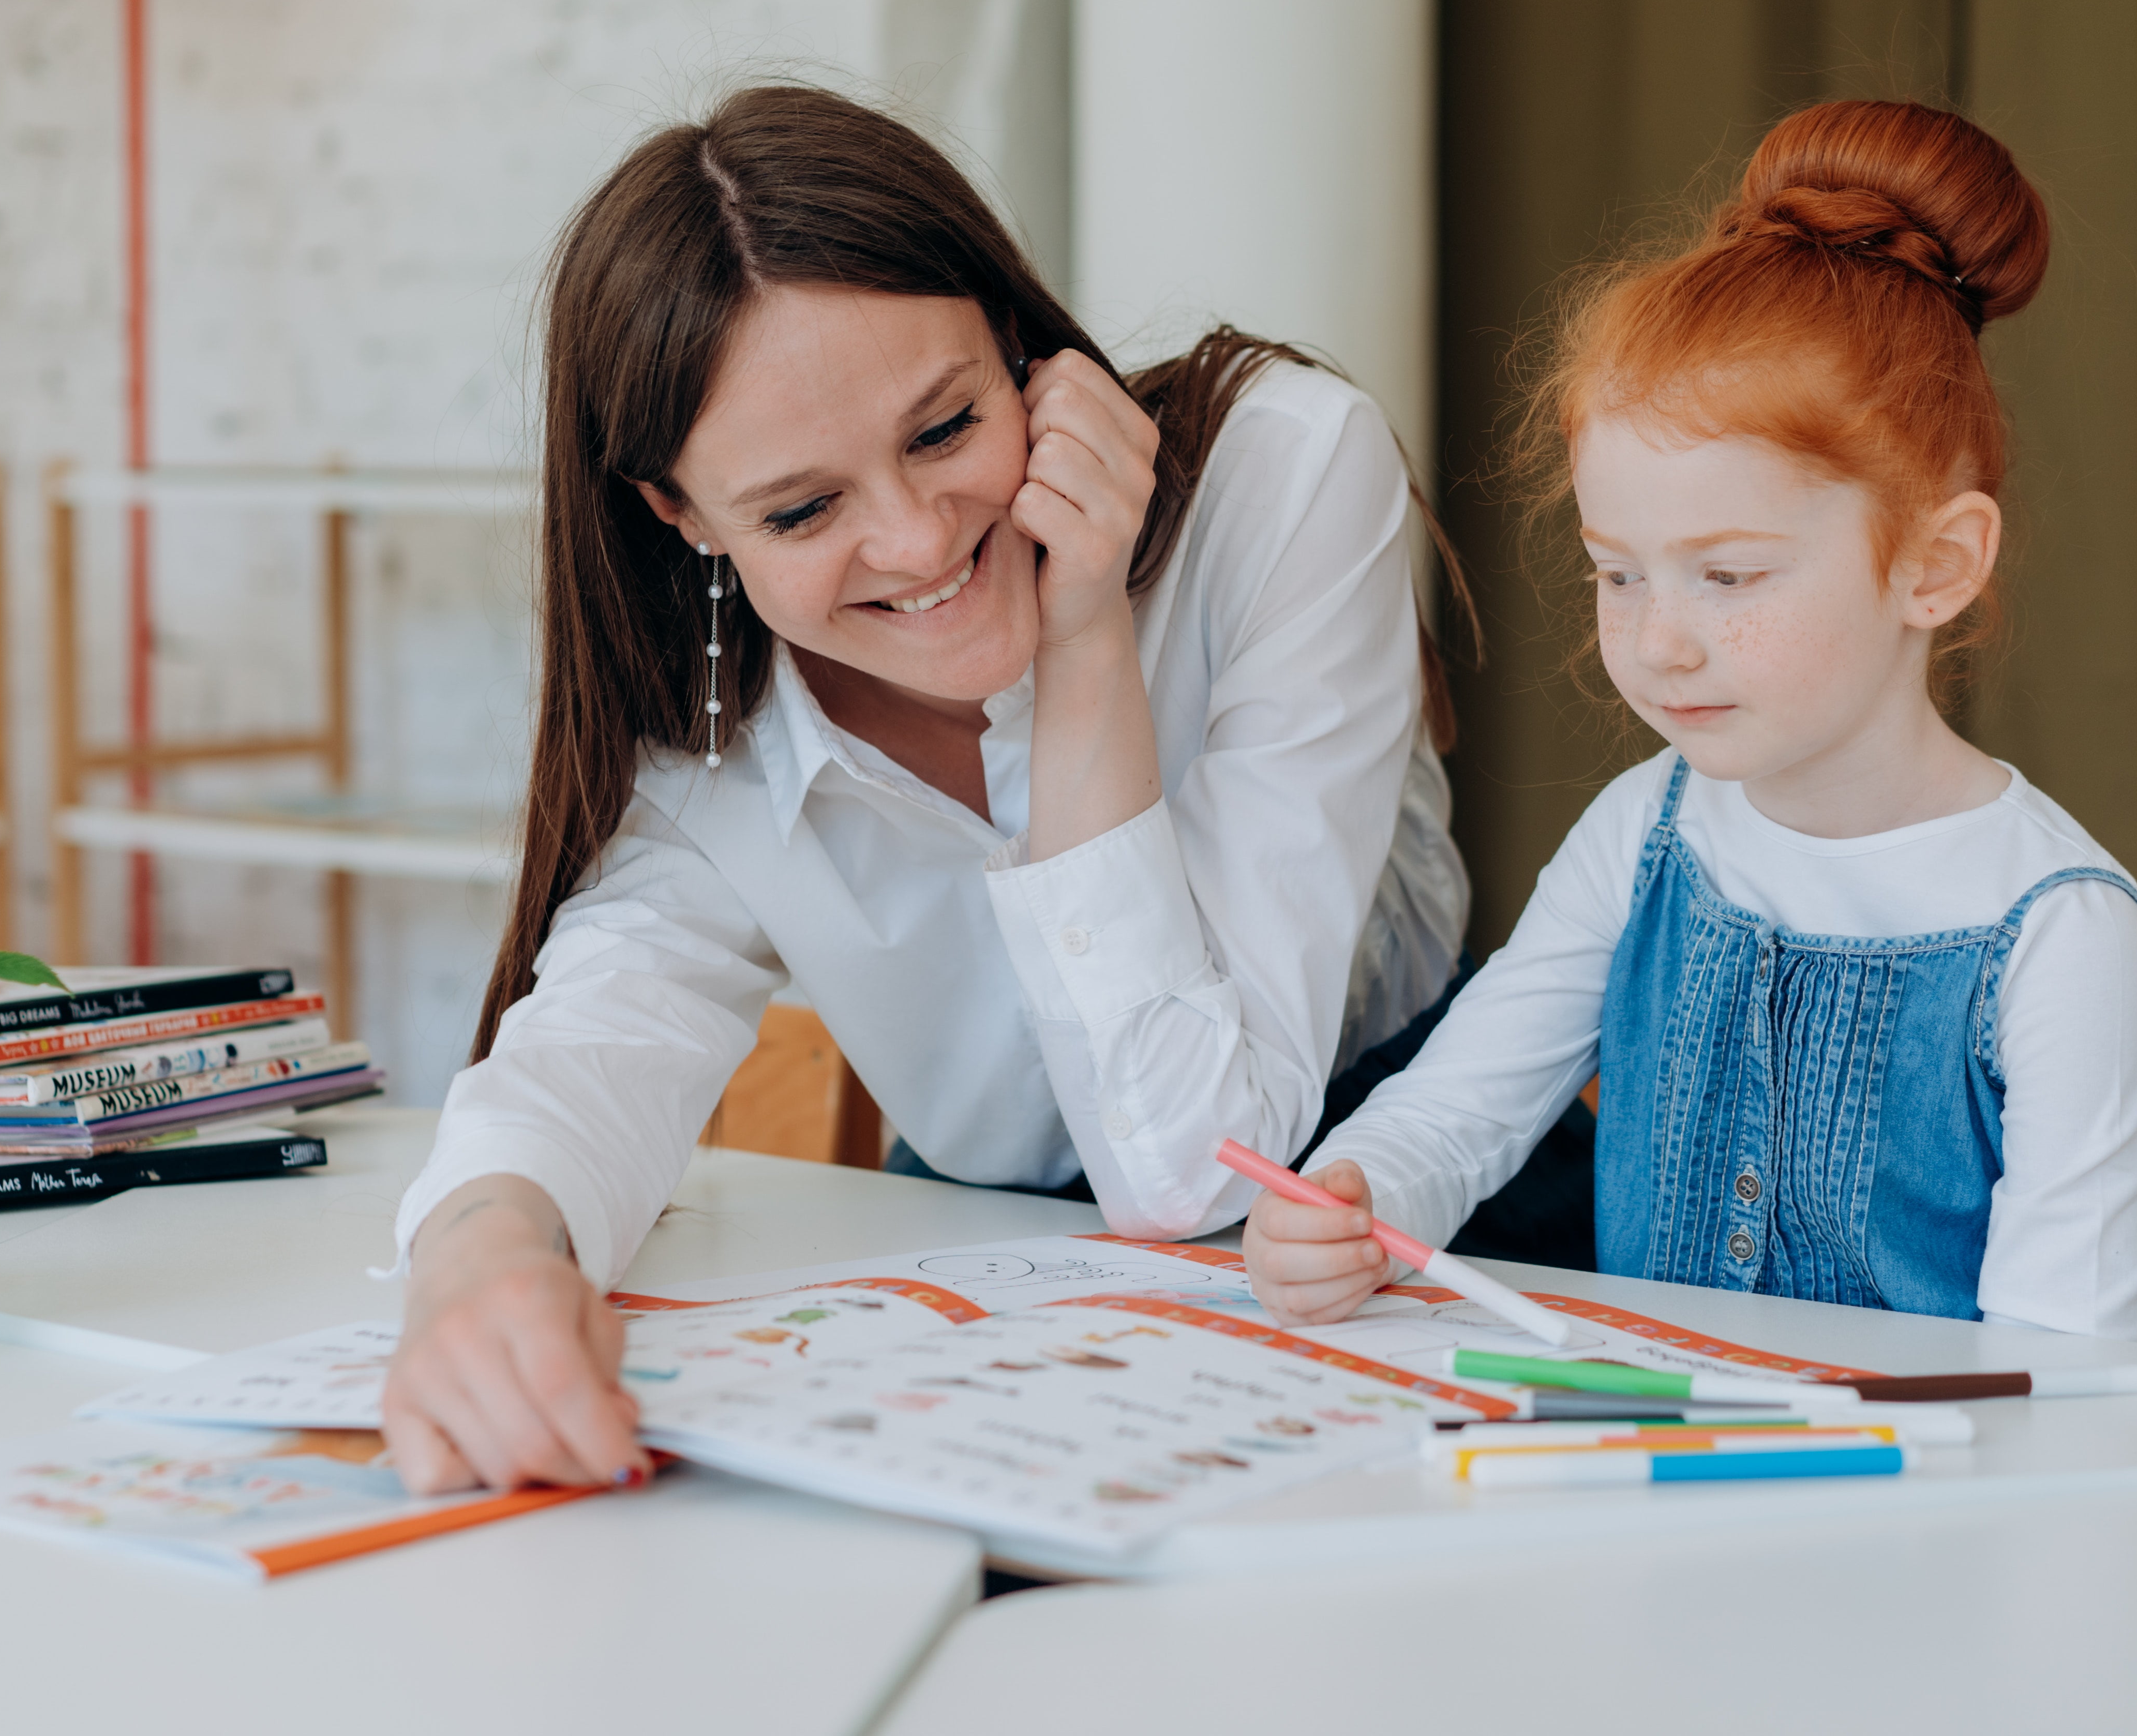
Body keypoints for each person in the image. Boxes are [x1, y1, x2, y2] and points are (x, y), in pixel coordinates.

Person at [382, 85, 1472, 1492]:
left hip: (1398, 1226)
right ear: (682, 517)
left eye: (947, 428)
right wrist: (477, 1267)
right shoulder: (704, 739)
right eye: (799, 511)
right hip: (999, 1301)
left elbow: (1198, 1175)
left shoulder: (1281, 473)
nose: (912, 539)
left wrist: (1083, 646)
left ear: (1016, 340)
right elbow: (593, 1049)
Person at [1245, 99, 2137, 1351]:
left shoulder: (2061, 934)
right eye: (1619, 571)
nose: (1659, 641)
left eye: (1732, 576)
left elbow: (2054, 1380)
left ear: (1935, 563)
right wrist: (1352, 1199)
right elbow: (1456, 1114)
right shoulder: (1642, 832)